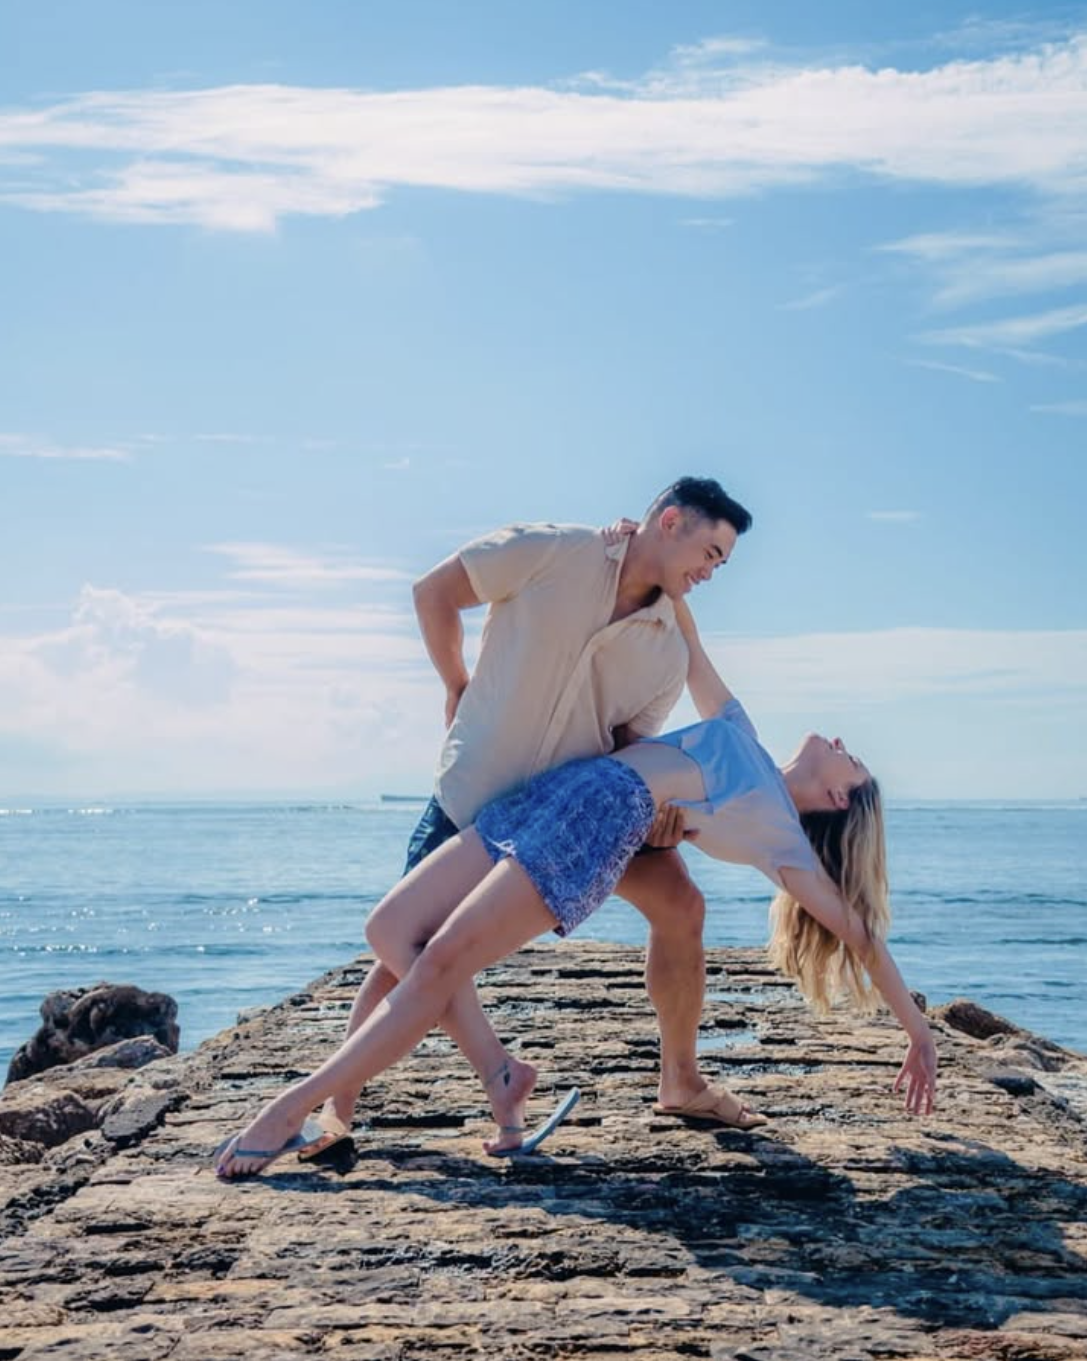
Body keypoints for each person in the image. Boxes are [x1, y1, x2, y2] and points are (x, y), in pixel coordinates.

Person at [215, 603, 938, 1179]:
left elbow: (860, 935)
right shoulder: (739, 729)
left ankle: (291, 1108)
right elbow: (681, 620)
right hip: (550, 790)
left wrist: (918, 1033)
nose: (839, 740)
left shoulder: (780, 835)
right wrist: (636, 546)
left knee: (438, 962)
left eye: (849, 757)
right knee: (389, 929)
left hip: (593, 816)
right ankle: (501, 1075)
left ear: (840, 798)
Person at [316, 478, 755, 1154]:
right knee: (409, 952)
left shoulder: (667, 651)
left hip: (569, 818)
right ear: (669, 521)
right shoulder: (552, 550)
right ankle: (337, 1109)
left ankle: (680, 1080)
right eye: (711, 551)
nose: (711, 571)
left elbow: (627, 749)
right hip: (475, 797)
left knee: (681, 904)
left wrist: (664, 809)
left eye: (721, 562)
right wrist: (455, 685)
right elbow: (433, 592)